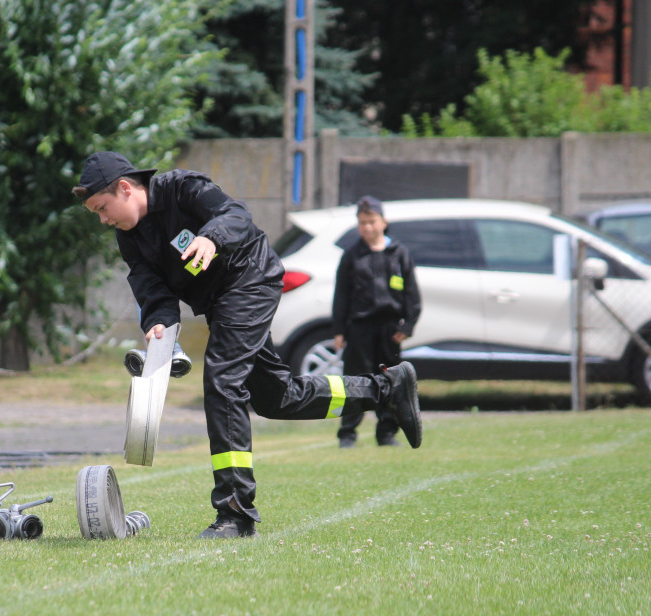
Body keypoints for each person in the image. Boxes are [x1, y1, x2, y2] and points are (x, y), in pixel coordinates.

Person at [73, 152, 422, 539]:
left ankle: (235, 513)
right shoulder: (130, 236)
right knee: (277, 398)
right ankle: (386, 389)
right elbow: (148, 284)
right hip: (219, 305)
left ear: (125, 188)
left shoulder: (181, 188)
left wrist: (210, 236)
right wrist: (158, 322)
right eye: (96, 214)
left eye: (103, 208)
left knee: (222, 383)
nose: (104, 220)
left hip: (249, 280)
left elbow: (236, 214)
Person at [332, 196, 422, 448]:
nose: (367, 227)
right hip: (359, 328)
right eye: (362, 222)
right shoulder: (352, 255)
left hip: (390, 330)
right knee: (354, 381)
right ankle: (347, 434)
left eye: (371, 221)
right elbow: (341, 295)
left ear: (384, 222)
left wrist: (407, 326)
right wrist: (339, 330)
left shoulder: (399, 253)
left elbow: (412, 294)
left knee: (390, 381)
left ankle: (386, 433)